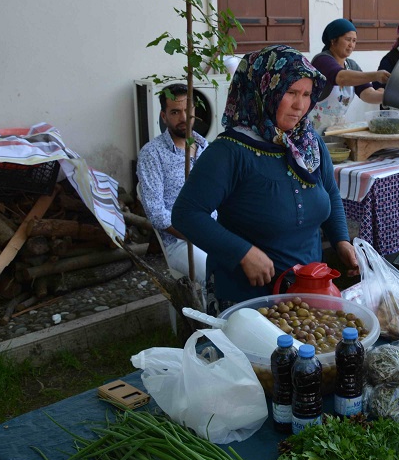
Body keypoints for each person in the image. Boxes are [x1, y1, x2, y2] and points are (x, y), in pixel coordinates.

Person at [172, 45, 358, 315]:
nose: (300, 105)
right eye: (291, 93)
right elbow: (186, 213)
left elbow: (329, 192)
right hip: (247, 300)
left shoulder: (309, 142)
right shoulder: (230, 151)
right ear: (263, 92)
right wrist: (243, 252)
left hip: (307, 292)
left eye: (307, 95)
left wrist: (341, 241)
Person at [136, 83, 210, 295]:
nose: (184, 117)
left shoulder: (206, 147)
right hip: (181, 242)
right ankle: (212, 325)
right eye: (175, 112)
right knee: (217, 273)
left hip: (216, 231)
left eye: (188, 110)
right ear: (164, 115)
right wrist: (198, 235)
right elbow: (157, 214)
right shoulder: (153, 154)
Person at [308, 19, 390, 133]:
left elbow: (368, 94)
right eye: (347, 40)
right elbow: (341, 77)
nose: (351, 45)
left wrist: (390, 97)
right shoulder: (322, 60)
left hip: (337, 130)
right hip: (314, 131)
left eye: (354, 41)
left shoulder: (352, 66)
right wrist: (376, 76)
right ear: (333, 40)